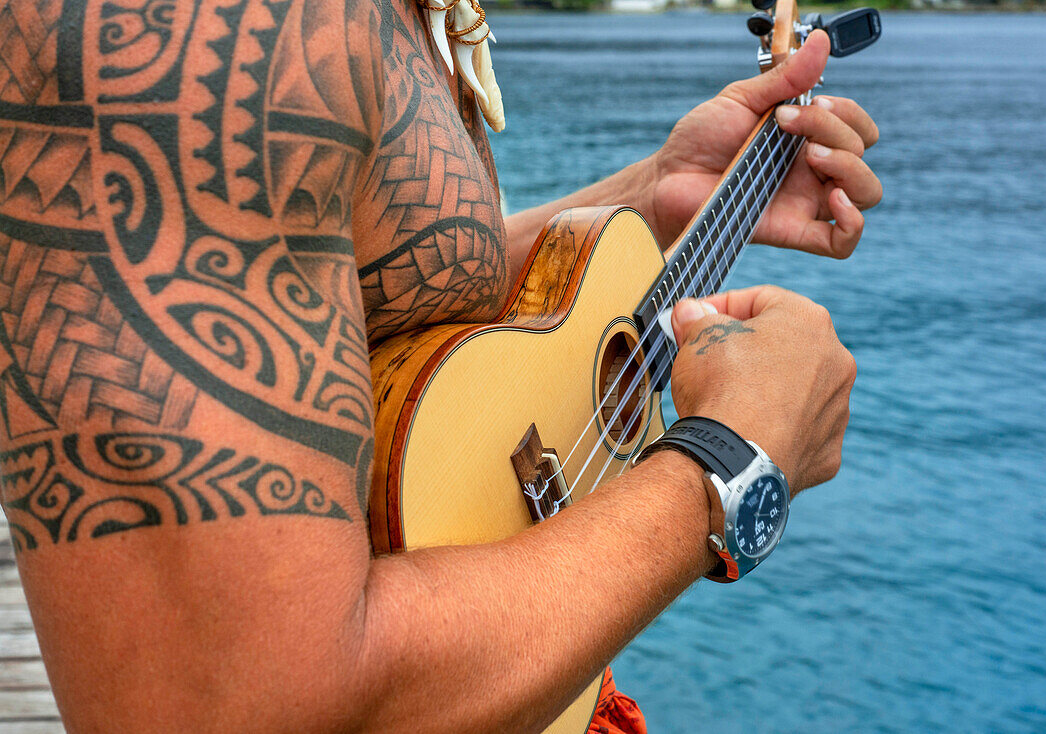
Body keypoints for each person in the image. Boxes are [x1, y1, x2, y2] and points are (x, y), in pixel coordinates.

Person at [0, 0, 879, 730]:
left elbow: (340, 272)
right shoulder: (209, 30)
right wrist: (730, 461)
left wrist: (651, 194)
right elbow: (243, 703)